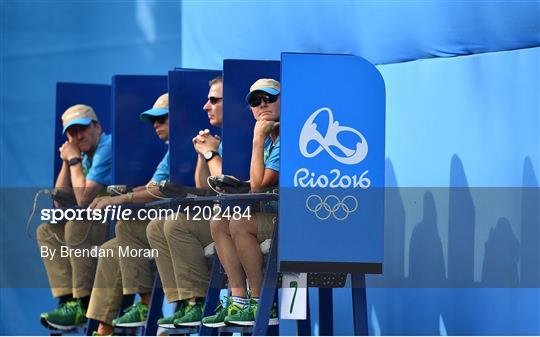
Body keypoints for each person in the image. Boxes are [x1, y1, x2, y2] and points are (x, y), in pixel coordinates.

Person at [79, 93, 172, 335]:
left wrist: (121, 198)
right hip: (166, 225)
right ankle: (105, 329)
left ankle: (148, 307)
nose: (156, 125)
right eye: (153, 121)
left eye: (161, 119)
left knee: (126, 227)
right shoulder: (171, 152)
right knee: (111, 249)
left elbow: (162, 191)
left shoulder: (194, 144)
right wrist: (127, 193)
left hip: (185, 226)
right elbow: (154, 186)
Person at [146, 76, 224, 328]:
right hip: (220, 218)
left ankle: (196, 302)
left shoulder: (242, 135)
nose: (206, 106)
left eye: (213, 100)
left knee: (175, 224)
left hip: (238, 220)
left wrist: (211, 153)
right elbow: (204, 186)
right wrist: (203, 155)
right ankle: (182, 302)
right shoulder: (218, 135)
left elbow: (227, 183)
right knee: (156, 226)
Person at [202, 78, 280, 327]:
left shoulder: (285, 137)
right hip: (272, 214)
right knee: (219, 222)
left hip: (294, 219)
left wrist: (257, 140)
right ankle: (239, 300)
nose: (262, 105)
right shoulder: (270, 139)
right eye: (255, 102)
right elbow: (254, 184)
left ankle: (261, 301)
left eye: (269, 98)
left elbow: (259, 186)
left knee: (240, 222)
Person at [38, 104, 112, 330]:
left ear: (97, 127)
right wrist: (66, 159)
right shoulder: (82, 155)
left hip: (119, 222)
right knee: (47, 231)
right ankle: (68, 300)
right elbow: (59, 201)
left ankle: (83, 302)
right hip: (97, 222)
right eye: (72, 133)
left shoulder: (108, 147)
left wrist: (73, 160)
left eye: (83, 129)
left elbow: (82, 199)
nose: (78, 136)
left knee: (75, 226)